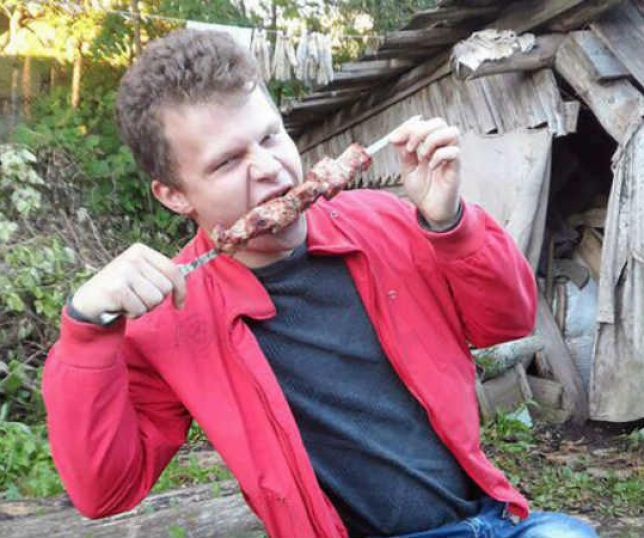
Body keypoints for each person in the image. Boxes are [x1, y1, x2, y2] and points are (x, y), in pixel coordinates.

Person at [42, 29, 597, 538]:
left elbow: (507, 323)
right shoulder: (170, 319)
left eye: (270, 136)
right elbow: (105, 491)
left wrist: (451, 225)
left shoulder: (386, 219)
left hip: (488, 518)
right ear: (174, 195)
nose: (270, 168)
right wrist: (87, 329)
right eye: (227, 162)